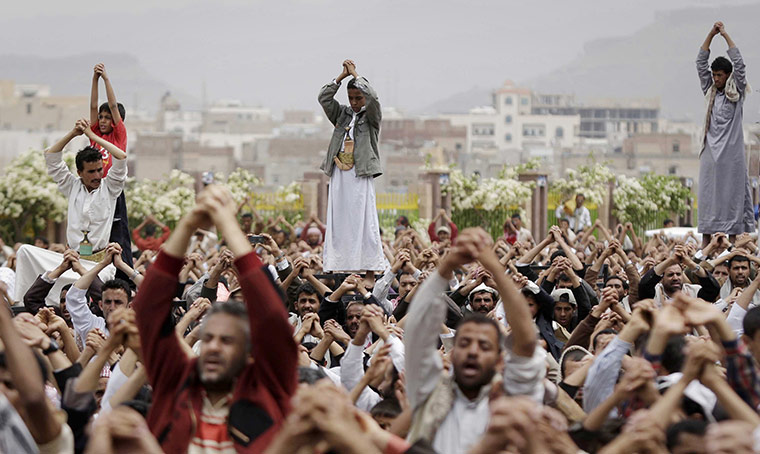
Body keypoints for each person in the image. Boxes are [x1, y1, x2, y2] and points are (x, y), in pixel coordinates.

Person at [133, 185, 297, 453]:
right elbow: (148, 310)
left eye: (227, 340)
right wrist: (188, 224)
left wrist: (226, 223)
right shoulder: (174, 383)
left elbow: (272, 317)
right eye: (207, 338)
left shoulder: (269, 387)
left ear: (249, 352)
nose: (213, 347)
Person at [404, 227, 545, 453]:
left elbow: (527, 343)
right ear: (452, 351)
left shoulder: (513, 398)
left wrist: (494, 267)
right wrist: (447, 265)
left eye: (484, 346)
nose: (472, 351)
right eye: (464, 343)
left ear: (500, 359)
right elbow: (416, 332)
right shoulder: (429, 391)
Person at [318, 59, 386, 273]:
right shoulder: (342, 114)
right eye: (351, 98)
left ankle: (365, 261)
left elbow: (374, 97)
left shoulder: (372, 117)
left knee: (361, 215)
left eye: (358, 98)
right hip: (339, 170)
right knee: (338, 215)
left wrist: (356, 75)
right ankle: (338, 262)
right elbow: (323, 97)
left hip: (360, 171)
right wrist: (341, 77)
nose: (355, 102)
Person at [697, 22, 753, 244]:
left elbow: (740, 64)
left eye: (719, 75)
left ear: (728, 76)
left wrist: (725, 35)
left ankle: (731, 246)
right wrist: (711, 34)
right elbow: (700, 62)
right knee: (708, 197)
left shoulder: (736, 92)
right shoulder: (709, 90)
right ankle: (706, 244)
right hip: (711, 154)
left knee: (732, 199)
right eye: (714, 75)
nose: (715, 79)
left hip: (732, 157)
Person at [90, 63, 133, 274]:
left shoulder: (118, 135)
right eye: (101, 117)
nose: (103, 120)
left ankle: (123, 274)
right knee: (92, 232)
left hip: (113, 192)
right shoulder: (95, 134)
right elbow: (92, 106)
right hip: (94, 192)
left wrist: (106, 78)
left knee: (117, 233)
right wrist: (94, 80)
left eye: (108, 118)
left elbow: (114, 106)